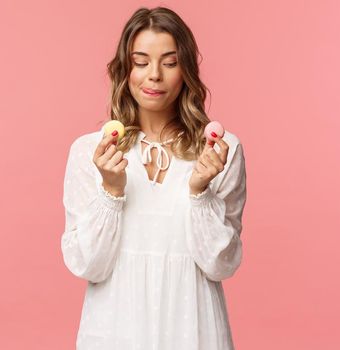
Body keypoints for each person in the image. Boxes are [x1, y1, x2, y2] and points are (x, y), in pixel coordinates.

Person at [60, 6, 247, 349]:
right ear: (124, 69)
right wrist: (111, 192)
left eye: (170, 62)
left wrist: (199, 192)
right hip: (115, 330)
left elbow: (221, 264)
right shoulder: (91, 152)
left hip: (195, 331)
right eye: (141, 62)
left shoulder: (220, 149)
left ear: (186, 69)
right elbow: (88, 265)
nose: (155, 75)